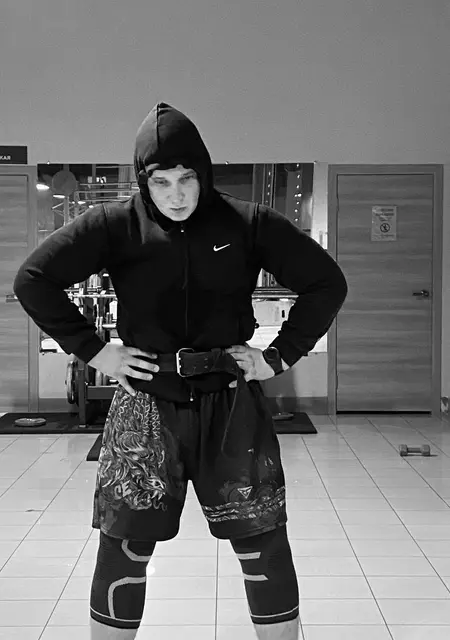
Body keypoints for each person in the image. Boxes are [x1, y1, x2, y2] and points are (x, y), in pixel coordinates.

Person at [13, 102, 348, 640]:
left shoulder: (247, 222)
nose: (176, 195)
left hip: (230, 405)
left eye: (187, 179)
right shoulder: (114, 224)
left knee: (263, 542)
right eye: (161, 182)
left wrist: (278, 356)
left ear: (204, 174)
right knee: (124, 546)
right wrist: (94, 351)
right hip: (145, 404)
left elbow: (327, 282)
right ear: (144, 181)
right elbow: (33, 280)